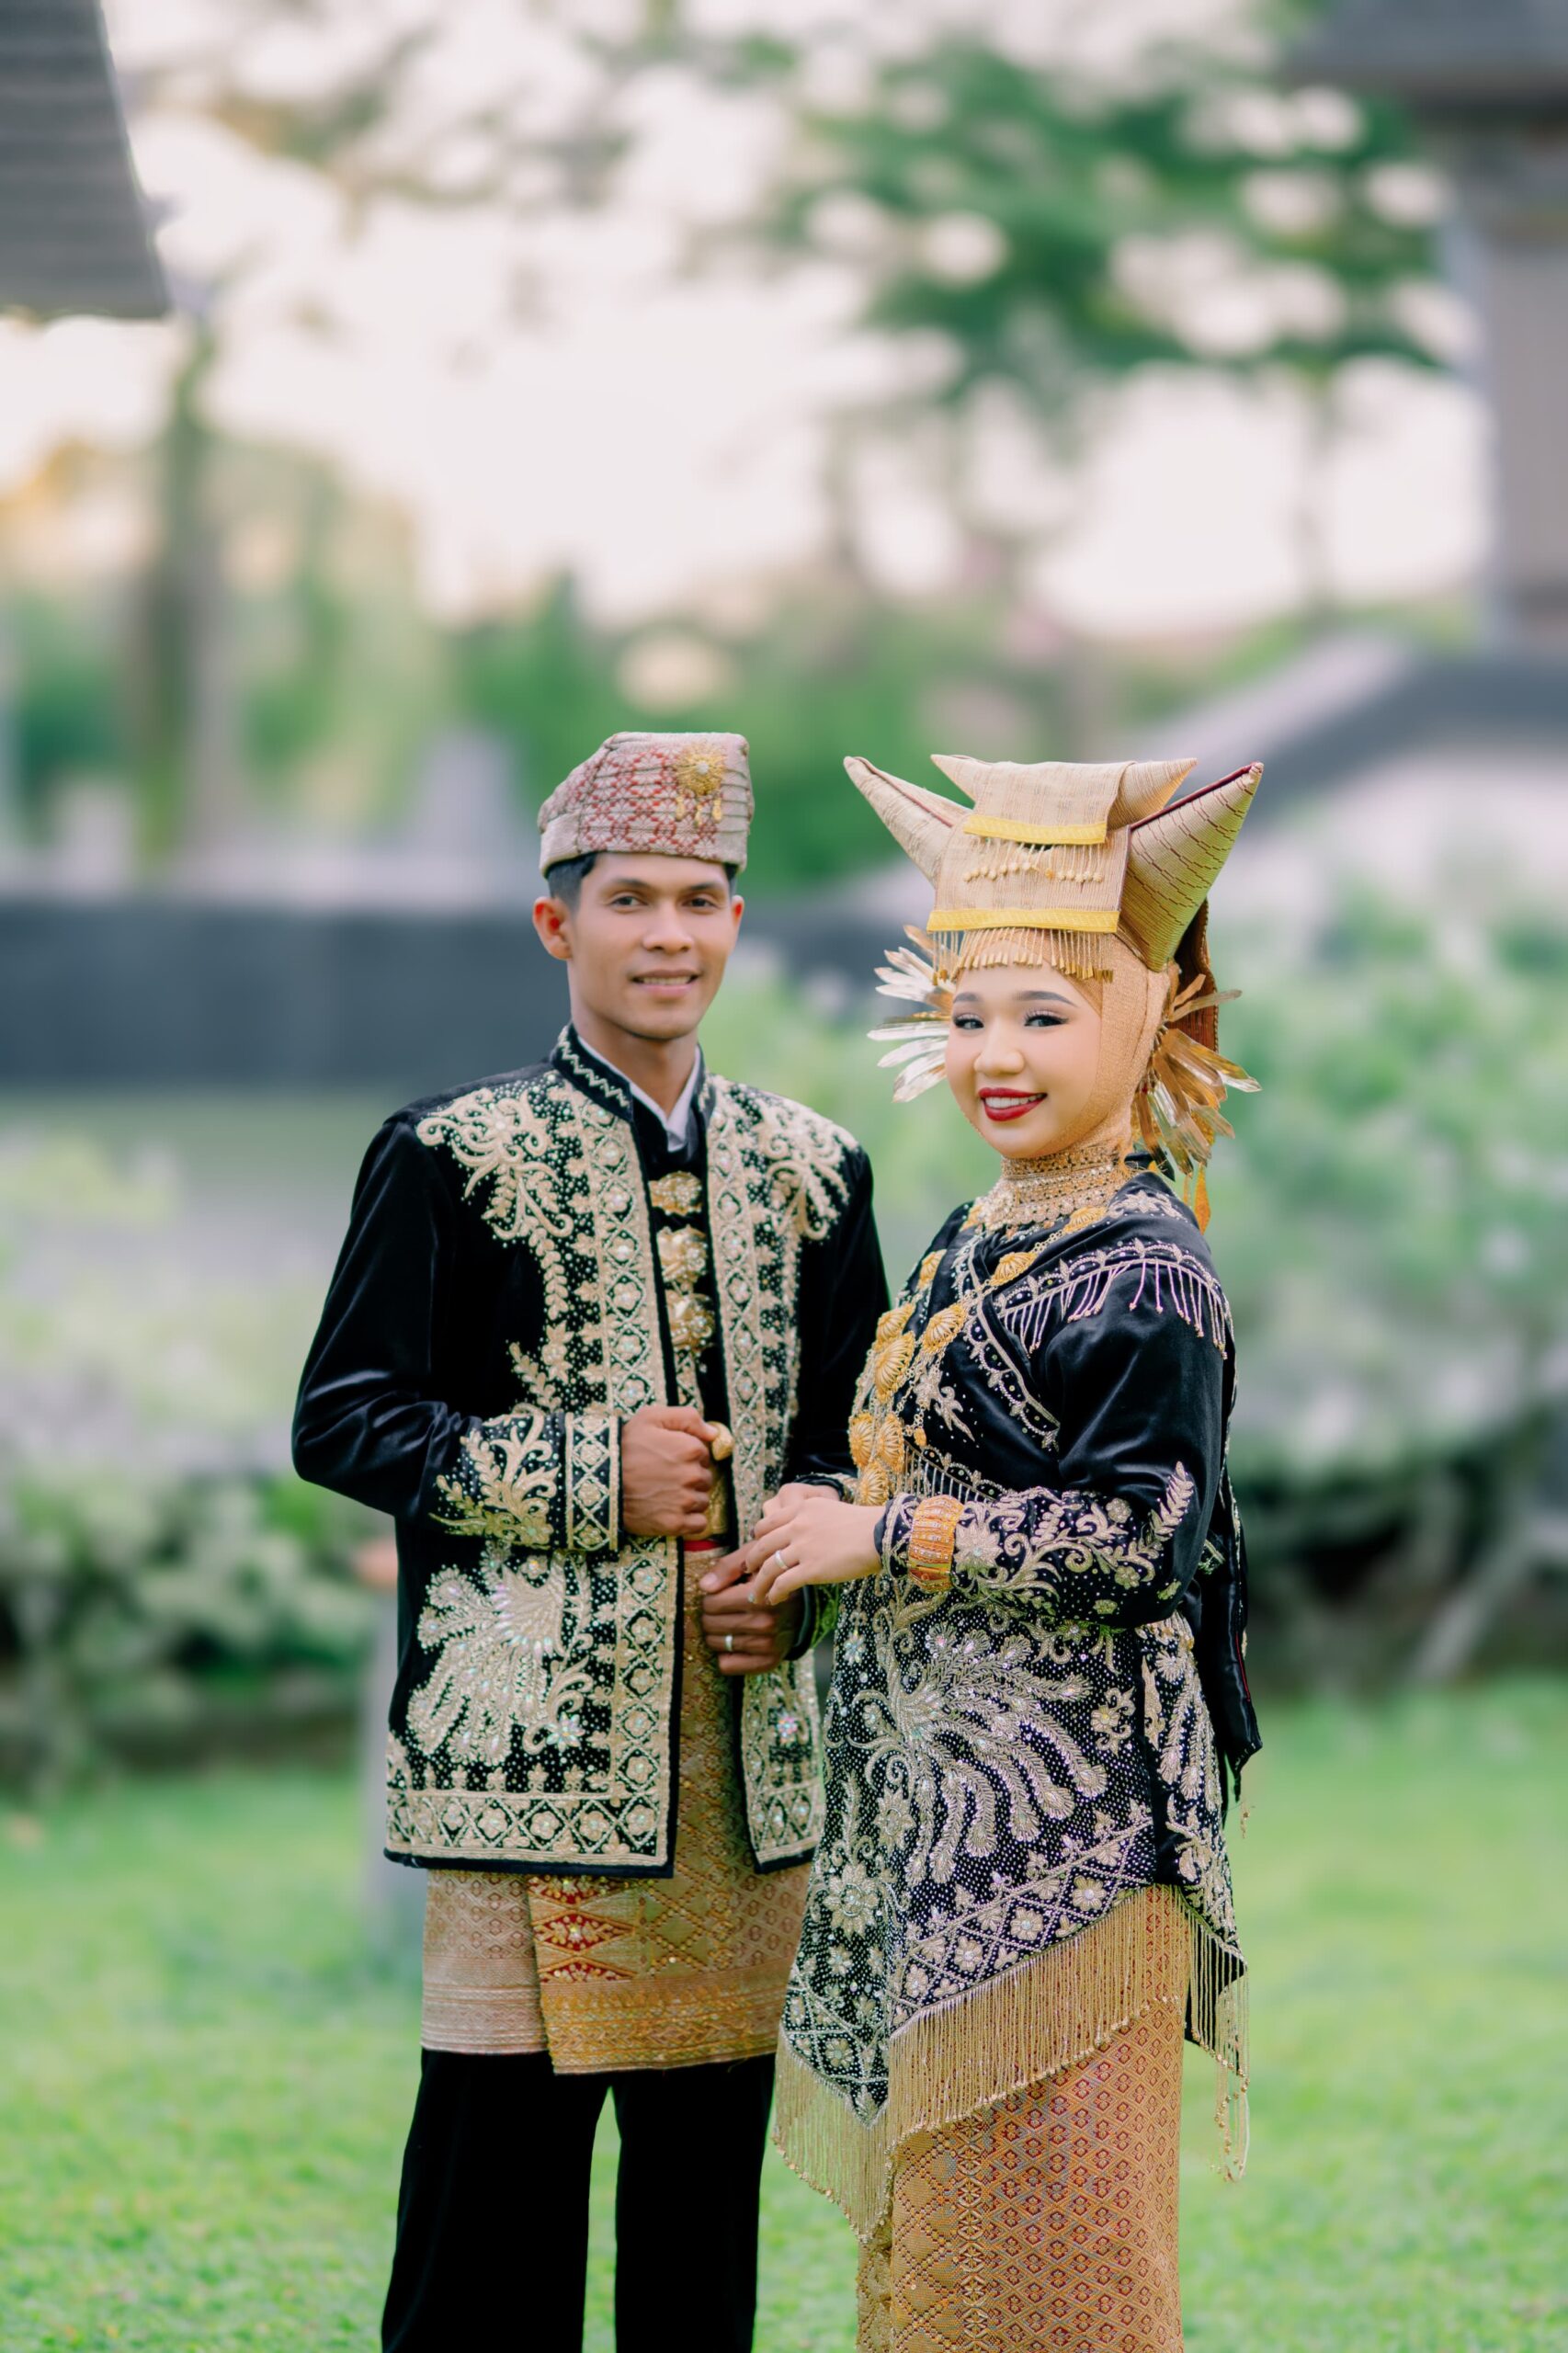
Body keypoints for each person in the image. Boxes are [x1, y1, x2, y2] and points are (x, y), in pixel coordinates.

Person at [292, 730, 887, 2353]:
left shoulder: (817, 1170)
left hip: (741, 1773)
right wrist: (583, 1474)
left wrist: (799, 1592)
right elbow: (343, 1419)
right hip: (525, 1772)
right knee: (491, 2209)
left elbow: (853, 1446)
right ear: (558, 924)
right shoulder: (446, 1154)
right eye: (630, 900)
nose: (668, 934)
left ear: (737, 924)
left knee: (699, 2220)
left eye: (699, 900)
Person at [738, 748, 1265, 2352]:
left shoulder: (1145, 1269)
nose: (994, 1056)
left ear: (1148, 1019)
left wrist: (875, 1535)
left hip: (1073, 1845)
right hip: (932, 1831)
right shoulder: (978, 1231)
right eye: (966, 1015)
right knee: (943, 2256)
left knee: (1050, 2257)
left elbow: (1137, 1540)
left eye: (1043, 1014)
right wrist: (805, 1556)